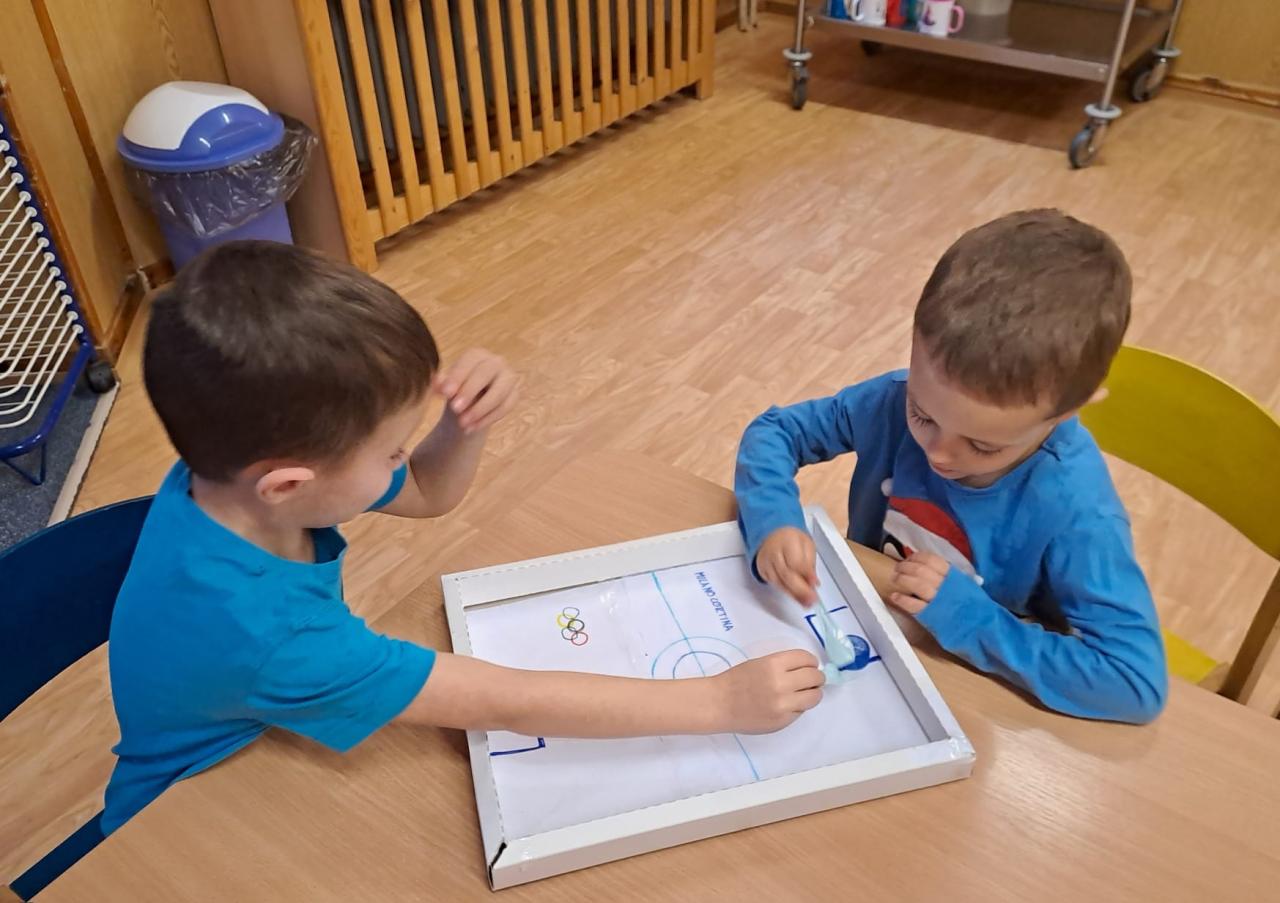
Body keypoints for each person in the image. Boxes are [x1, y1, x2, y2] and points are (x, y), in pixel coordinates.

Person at [103, 241, 824, 834]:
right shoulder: (276, 637)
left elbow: (426, 491)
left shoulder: (226, 471)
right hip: (183, 817)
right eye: (391, 449)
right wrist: (717, 703)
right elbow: (506, 699)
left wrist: (462, 426)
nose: (402, 460)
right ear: (287, 485)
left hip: (256, 739)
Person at [734, 209, 1167, 724]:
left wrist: (973, 618)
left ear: (1067, 412)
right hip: (874, 624)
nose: (939, 453)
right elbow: (775, 433)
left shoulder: (1077, 510)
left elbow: (1132, 683)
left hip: (981, 697)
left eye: (982, 446)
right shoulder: (892, 398)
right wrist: (773, 520)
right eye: (922, 414)